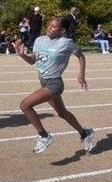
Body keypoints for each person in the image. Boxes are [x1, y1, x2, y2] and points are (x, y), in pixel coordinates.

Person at [13, 16, 95, 154]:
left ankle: (44, 136)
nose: (49, 28)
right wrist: (22, 55)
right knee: (63, 114)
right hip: (44, 82)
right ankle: (85, 133)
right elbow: (33, 60)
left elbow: (81, 56)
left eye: (54, 26)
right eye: (49, 25)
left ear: (62, 30)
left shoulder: (66, 43)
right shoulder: (39, 40)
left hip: (55, 84)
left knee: (25, 105)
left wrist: (81, 74)